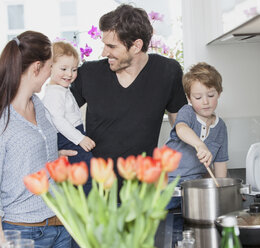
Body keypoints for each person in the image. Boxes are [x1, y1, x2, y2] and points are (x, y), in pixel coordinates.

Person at [70, 4, 187, 184]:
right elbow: (54, 113)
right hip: (96, 189)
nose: (104, 52)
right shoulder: (88, 73)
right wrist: (60, 147)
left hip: (143, 190)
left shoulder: (167, 72)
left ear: (136, 46)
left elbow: (181, 125)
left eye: (112, 46)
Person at [0, 31, 71, 247]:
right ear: (37, 67)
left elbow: (28, 155)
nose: (52, 73)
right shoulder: (3, 121)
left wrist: (55, 157)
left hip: (61, 225)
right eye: (50, 66)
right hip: (23, 232)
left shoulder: (39, 106)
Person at [166, 62, 229, 209]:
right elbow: (181, 128)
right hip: (167, 186)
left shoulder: (221, 127)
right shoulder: (187, 113)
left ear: (219, 93)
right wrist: (200, 145)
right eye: (198, 97)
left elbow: (220, 164)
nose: (205, 102)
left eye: (211, 95)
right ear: (189, 98)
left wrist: (223, 191)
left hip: (195, 189)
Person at [43, 41, 94, 194]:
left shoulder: (61, 89)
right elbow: (58, 120)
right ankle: (85, 202)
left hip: (73, 133)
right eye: (63, 69)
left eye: (74, 69)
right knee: (85, 170)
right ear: (50, 67)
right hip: (68, 136)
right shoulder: (54, 93)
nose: (69, 74)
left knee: (86, 170)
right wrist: (79, 138)